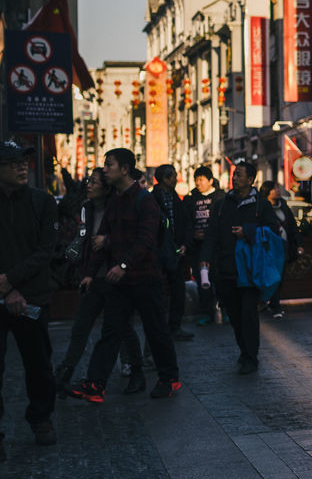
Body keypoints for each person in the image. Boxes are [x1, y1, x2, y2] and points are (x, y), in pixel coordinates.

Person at [0, 141, 59, 467]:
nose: (22, 167)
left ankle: (41, 417)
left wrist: (13, 282)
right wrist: (4, 290)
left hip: (32, 297)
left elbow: (46, 251)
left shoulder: (43, 203)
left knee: (38, 364)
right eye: (13, 162)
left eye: (24, 162)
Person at [70, 148, 182, 402]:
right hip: (119, 282)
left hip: (145, 278)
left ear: (125, 169)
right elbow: (101, 239)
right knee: (111, 331)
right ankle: (95, 385)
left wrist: (123, 266)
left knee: (156, 330)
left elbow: (146, 241)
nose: (105, 169)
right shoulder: (115, 201)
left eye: (109, 165)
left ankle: (169, 378)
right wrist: (89, 274)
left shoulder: (145, 200)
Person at [54, 168, 144, 395]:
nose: (88, 185)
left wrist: (107, 242)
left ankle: (135, 370)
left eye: (93, 182)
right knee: (81, 326)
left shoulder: (119, 207)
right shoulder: (87, 208)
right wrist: (75, 250)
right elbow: (84, 235)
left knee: (122, 328)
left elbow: (131, 239)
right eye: (88, 181)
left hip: (116, 276)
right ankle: (65, 372)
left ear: (106, 187)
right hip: (92, 276)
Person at [200, 163, 283, 373]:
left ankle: (250, 357)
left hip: (250, 270)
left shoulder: (260, 205)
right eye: (234, 174)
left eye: (239, 175)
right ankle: (244, 351)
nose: (234, 178)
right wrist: (206, 259)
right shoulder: (222, 204)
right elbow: (212, 234)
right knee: (235, 316)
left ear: (250, 179)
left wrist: (248, 231)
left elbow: (274, 230)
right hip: (226, 269)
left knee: (248, 315)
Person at [152, 164, 193, 341]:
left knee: (178, 290)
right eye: (174, 176)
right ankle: (160, 327)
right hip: (160, 252)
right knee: (159, 291)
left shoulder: (176, 198)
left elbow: (185, 223)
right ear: (166, 179)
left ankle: (174, 326)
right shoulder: (153, 199)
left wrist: (184, 243)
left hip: (177, 251)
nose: (176, 179)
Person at [183, 166, 223, 325]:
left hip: (217, 247)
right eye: (196, 179)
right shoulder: (191, 199)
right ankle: (207, 312)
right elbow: (186, 222)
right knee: (202, 280)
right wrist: (192, 235)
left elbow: (224, 222)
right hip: (197, 247)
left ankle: (225, 308)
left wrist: (209, 235)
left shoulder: (221, 197)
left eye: (202, 179)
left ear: (210, 180)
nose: (198, 183)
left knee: (219, 278)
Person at [262, 182, 303, 319]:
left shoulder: (283, 206)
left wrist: (298, 243)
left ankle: (274, 304)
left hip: (283, 246)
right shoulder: (262, 207)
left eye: (277, 188)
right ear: (267, 192)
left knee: (279, 276)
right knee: (271, 276)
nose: (278, 190)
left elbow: (292, 225)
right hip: (268, 247)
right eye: (274, 188)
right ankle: (272, 304)